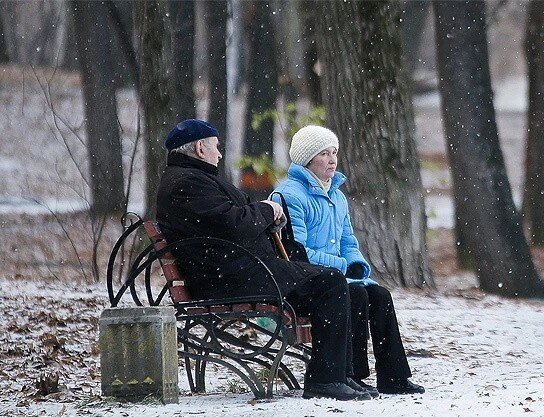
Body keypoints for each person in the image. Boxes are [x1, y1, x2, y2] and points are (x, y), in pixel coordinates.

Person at [155, 119, 372, 401]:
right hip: (229, 278)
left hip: (238, 270)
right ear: (199, 148)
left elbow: (231, 219)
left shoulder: (192, 179)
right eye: (216, 148)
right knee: (329, 281)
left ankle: (342, 376)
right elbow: (233, 223)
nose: (219, 154)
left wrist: (264, 216)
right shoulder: (188, 183)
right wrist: (268, 210)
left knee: (348, 288)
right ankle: (325, 380)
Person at [271, 125, 424, 395]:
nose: (331, 160)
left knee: (379, 295)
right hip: (304, 281)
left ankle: (393, 377)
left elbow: (348, 240)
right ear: (307, 159)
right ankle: (352, 374)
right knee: (356, 294)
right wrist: (342, 266)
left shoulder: (337, 196)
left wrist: (355, 264)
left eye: (334, 153)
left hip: (334, 278)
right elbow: (297, 252)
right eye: (323, 154)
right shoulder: (290, 195)